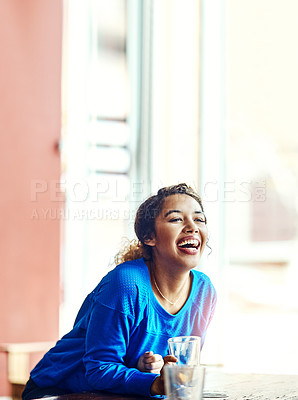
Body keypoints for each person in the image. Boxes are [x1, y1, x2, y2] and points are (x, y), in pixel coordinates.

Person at [22, 183, 217, 400]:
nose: (192, 227)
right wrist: (153, 382)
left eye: (199, 219)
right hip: (59, 390)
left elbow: (179, 371)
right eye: (175, 219)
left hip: (121, 392)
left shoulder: (204, 291)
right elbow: (98, 369)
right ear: (149, 237)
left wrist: (151, 367)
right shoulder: (125, 284)